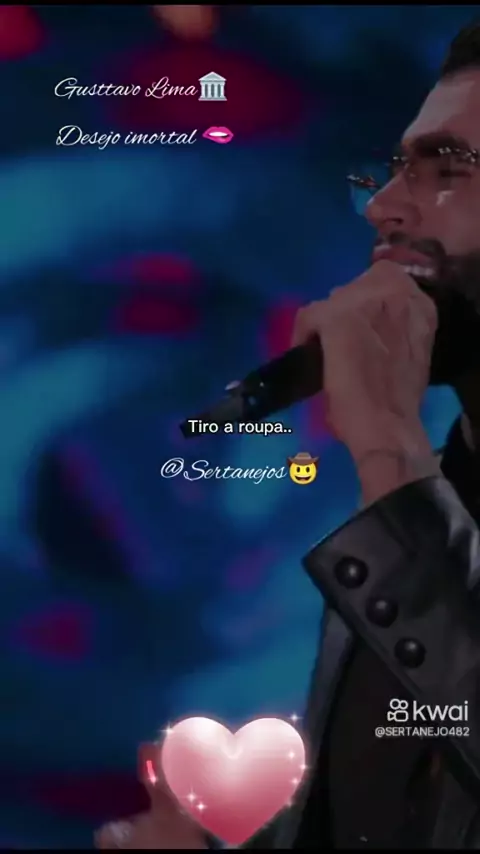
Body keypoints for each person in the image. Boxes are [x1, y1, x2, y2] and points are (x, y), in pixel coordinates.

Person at [97, 19, 480, 849]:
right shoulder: (432, 501)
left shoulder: (403, 495)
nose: (382, 207)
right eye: (396, 169)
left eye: (448, 170)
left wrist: (387, 443)